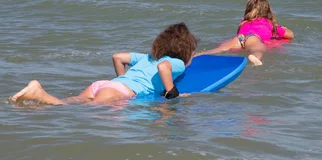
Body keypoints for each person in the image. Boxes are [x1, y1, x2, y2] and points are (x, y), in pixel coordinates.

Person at [10, 22, 197, 105]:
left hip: (104, 85)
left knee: (69, 104)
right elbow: (164, 68)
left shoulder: (149, 58)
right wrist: (171, 93)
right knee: (73, 111)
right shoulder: (176, 63)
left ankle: (33, 102)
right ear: (185, 52)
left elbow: (118, 57)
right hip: (118, 91)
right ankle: (36, 91)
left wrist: (122, 80)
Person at [196, 0, 294, 66]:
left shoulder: (244, 21)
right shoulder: (269, 23)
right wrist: (282, 27)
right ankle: (256, 59)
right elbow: (290, 35)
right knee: (259, 49)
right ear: (267, 11)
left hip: (240, 38)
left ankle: (196, 55)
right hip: (253, 39)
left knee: (218, 50)